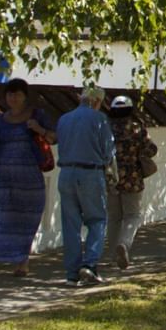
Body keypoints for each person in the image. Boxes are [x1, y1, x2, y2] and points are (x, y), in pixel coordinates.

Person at [0, 78, 56, 279]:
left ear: (25, 96)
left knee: (25, 219)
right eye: (10, 94)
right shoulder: (0, 121)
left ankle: (22, 263)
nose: (13, 98)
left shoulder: (37, 115)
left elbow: (54, 138)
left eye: (18, 94)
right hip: (0, 178)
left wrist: (38, 128)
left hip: (28, 179)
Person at [54, 85, 117, 286]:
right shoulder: (100, 120)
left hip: (66, 173)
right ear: (97, 101)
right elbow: (108, 151)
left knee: (70, 224)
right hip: (91, 172)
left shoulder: (64, 119)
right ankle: (89, 264)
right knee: (97, 219)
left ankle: (71, 273)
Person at [104, 95, 157, 271]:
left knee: (113, 217)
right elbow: (151, 149)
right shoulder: (136, 128)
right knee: (132, 215)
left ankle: (113, 255)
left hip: (111, 177)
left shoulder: (106, 128)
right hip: (132, 177)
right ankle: (124, 244)